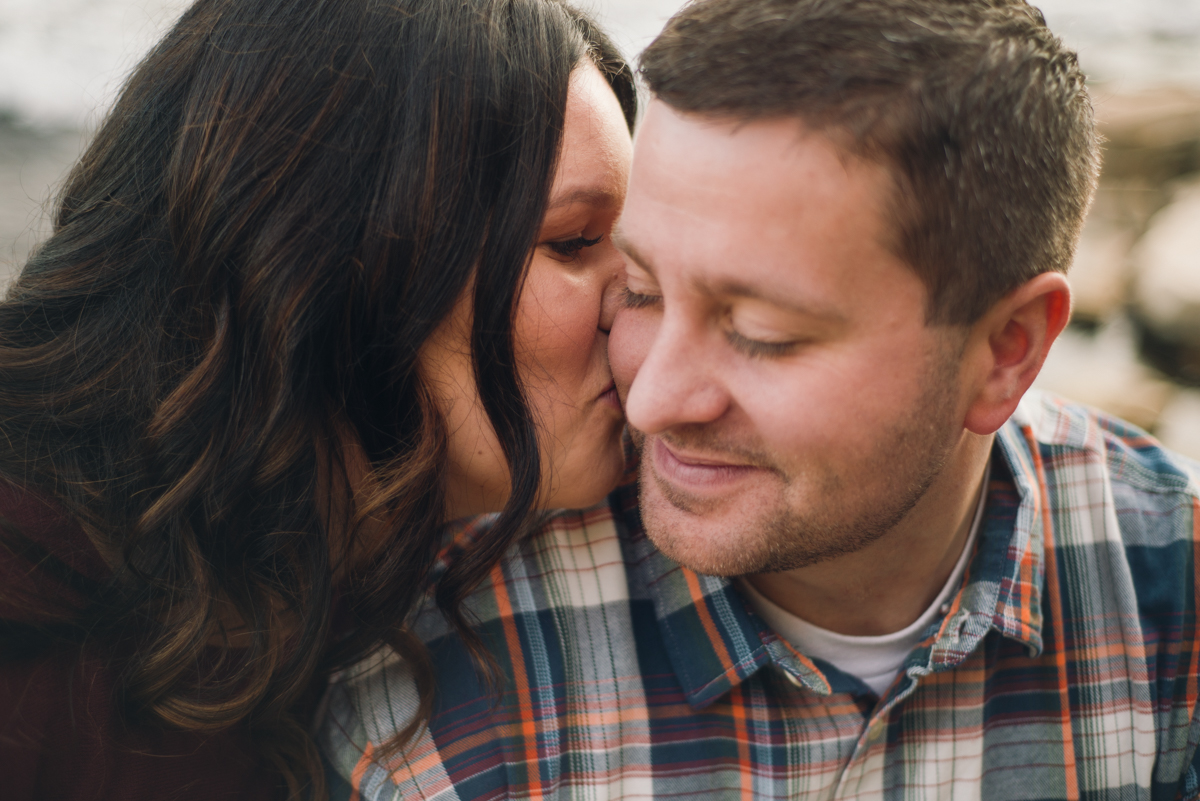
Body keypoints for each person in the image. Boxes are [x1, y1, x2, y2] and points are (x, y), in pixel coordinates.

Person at [320, 0, 1200, 798]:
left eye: (763, 333)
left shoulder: (1177, 595)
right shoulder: (435, 667)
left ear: (1009, 350)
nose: (653, 397)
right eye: (641, 288)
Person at [0, 0, 635, 798]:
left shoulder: (358, 575)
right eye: (576, 240)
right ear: (342, 254)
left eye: (639, 244)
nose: (642, 298)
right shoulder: (31, 620)